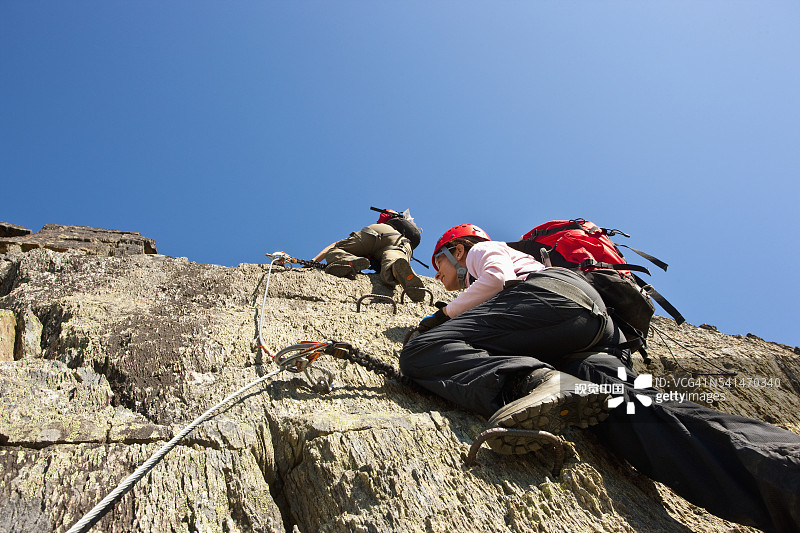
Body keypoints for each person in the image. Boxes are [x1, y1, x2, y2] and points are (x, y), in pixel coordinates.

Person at [399, 224, 800, 533]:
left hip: (550, 301)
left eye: (438, 265)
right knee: (638, 411)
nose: (438, 277)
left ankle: (534, 383)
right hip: (591, 331)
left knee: (421, 350)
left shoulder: (482, 252)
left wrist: (440, 317)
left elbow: (500, 281)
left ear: (457, 249)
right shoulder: (517, 265)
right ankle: (787, 473)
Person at [314, 208, 427, 302]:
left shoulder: (384, 221)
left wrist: (314, 261)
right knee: (394, 259)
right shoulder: (402, 224)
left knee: (336, 250)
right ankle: (395, 268)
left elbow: (334, 245)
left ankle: (349, 260)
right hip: (400, 241)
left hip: (377, 231)